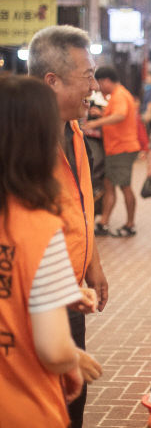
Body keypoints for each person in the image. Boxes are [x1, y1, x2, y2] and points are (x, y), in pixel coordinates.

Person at [0, 75, 99, 427]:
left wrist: (62, 290)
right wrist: (72, 358)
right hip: (24, 407)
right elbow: (54, 349)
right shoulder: (39, 226)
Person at [28, 25, 106, 428]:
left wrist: (93, 263)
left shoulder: (76, 134)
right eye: (87, 76)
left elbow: (80, 207)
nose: (95, 85)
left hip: (72, 291)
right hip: (32, 300)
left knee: (73, 399)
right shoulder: (20, 151)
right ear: (51, 81)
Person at [85, 66, 141, 237]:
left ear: (106, 81)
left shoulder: (119, 95)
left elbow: (120, 116)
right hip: (116, 149)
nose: (97, 87)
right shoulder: (118, 96)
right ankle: (104, 223)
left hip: (122, 148)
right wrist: (101, 114)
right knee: (109, 185)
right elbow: (117, 116)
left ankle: (130, 225)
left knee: (124, 187)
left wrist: (95, 123)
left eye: (98, 83)